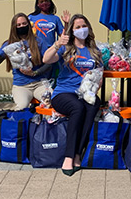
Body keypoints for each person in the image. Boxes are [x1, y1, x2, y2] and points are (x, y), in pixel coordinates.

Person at [43, 14, 103, 176]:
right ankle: (68, 157)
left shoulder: (94, 51)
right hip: (63, 93)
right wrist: (57, 44)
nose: (81, 29)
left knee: (93, 105)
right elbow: (46, 59)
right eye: (77, 27)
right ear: (72, 30)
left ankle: (78, 153)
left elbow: (99, 77)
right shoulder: (66, 48)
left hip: (84, 93)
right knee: (77, 108)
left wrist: (92, 92)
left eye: (84, 26)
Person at [0, 13, 53, 110]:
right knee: (21, 107)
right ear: (14, 27)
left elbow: (49, 63)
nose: (21, 26)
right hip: (21, 85)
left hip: (39, 83)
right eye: (18, 25)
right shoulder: (8, 45)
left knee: (53, 102)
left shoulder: (39, 42)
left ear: (29, 25)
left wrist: (35, 73)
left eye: (24, 23)